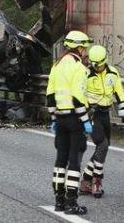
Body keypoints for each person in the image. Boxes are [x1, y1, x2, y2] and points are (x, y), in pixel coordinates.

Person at [46, 30, 93, 215]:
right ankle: (72, 202)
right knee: (74, 160)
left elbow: (50, 96)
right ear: (79, 48)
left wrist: (54, 119)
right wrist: (86, 121)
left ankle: (59, 201)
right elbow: (78, 98)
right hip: (75, 119)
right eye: (84, 48)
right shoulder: (78, 68)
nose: (85, 51)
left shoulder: (56, 65)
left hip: (60, 119)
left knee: (60, 160)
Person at [80, 45, 124, 197]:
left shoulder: (112, 72)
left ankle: (85, 180)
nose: (97, 68)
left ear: (105, 61)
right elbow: (81, 95)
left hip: (105, 114)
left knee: (103, 147)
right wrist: (84, 116)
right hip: (93, 113)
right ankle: (96, 183)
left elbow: (119, 92)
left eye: (100, 65)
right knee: (102, 145)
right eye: (94, 65)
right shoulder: (86, 74)